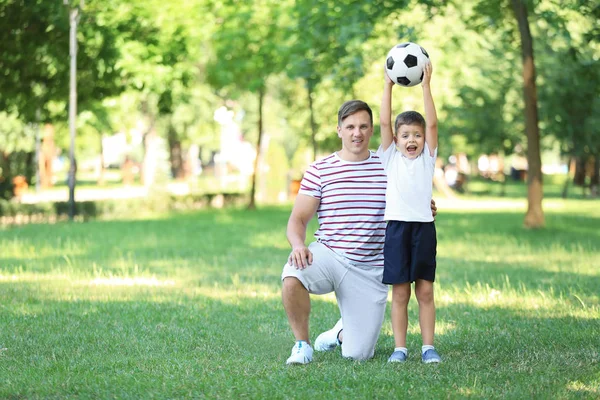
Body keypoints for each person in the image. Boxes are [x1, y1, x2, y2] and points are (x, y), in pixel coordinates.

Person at [281, 100, 437, 365]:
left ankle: (341, 332)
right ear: (339, 130)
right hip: (329, 254)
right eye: (350, 126)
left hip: (372, 267)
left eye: (364, 126)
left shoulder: (389, 164)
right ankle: (302, 345)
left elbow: (412, 192)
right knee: (292, 275)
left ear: (372, 129)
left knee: (358, 355)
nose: (357, 133)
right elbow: (297, 219)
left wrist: (425, 206)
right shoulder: (320, 169)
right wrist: (298, 245)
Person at [379, 61, 441, 363]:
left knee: (425, 291)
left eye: (416, 135)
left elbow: (432, 125)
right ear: (396, 139)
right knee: (400, 292)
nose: (412, 140)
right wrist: (388, 85)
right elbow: (383, 124)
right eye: (405, 135)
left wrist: (426, 87)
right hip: (396, 231)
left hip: (423, 229)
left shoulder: (428, 158)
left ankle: (428, 347)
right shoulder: (390, 158)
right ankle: (400, 348)